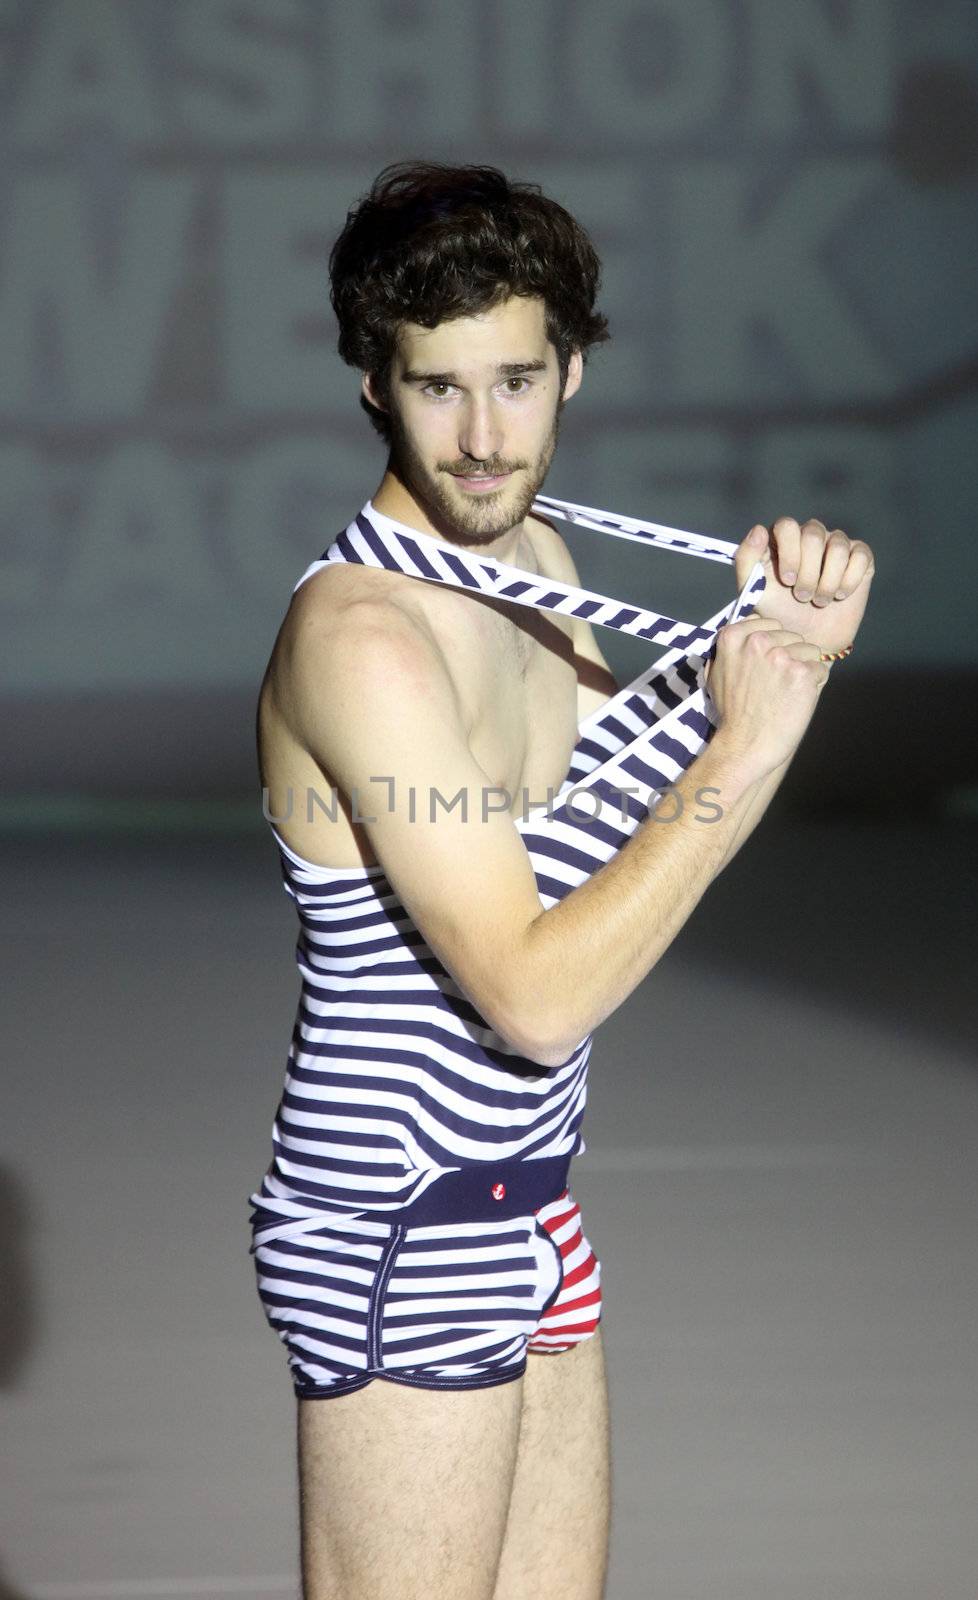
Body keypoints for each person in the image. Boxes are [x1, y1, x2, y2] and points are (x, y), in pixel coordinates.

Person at [250, 160, 875, 1600]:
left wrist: (782, 658)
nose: (479, 440)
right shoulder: (367, 643)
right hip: (400, 1225)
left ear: (572, 370)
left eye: (514, 384)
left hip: (529, 1206)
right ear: (372, 387)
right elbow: (535, 997)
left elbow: (631, 833)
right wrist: (754, 736)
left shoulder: (537, 559)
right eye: (436, 389)